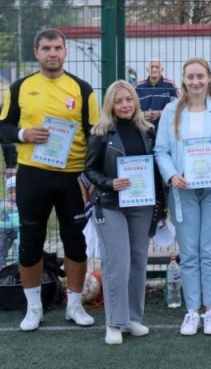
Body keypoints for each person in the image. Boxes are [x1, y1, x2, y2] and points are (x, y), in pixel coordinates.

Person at [0, 28, 99, 331]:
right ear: (37, 53)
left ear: (65, 52)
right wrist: (23, 134)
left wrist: (92, 175)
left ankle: (74, 305)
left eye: (57, 48)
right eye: (46, 48)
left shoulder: (82, 89)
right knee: (30, 240)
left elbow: (95, 135)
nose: (52, 53)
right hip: (33, 175)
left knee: (76, 243)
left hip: (72, 178)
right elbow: (3, 126)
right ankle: (33, 308)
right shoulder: (20, 88)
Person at [154, 57, 211, 336]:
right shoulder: (170, 111)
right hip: (183, 190)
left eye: (200, 76)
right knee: (189, 252)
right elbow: (161, 151)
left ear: (209, 78)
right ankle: (192, 311)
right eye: (190, 77)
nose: (196, 81)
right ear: (183, 80)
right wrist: (170, 175)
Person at [84, 81, 165, 345]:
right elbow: (90, 169)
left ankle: (132, 319)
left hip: (142, 205)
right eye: (118, 101)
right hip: (110, 204)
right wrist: (109, 183)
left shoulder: (148, 130)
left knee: (138, 262)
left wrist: (161, 207)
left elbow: (156, 171)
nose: (125, 105)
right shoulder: (100, 132)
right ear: (110, 104)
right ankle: (114, 323)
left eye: (128, 100)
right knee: (116, 262)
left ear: (135, 101)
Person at [136, 59, 179, 128]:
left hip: (165, 125)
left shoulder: (169, 85)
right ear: (147, 70)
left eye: (157, 67)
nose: (154, 69)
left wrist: (161, 113)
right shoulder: (139, 86)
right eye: (152, 67)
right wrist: (142, 114)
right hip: (144, 126)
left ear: (162, 70)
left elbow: (177, 106)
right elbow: (134, 107)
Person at [1, 176, 19, 266]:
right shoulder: (6, 202)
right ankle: (1, 263)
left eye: (17, 191)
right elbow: (1, 208)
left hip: (22, 228)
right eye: (11, 192)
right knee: (2, 244)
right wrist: (5, 207)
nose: (14, 194)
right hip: (8, 229)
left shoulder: (25, 201)